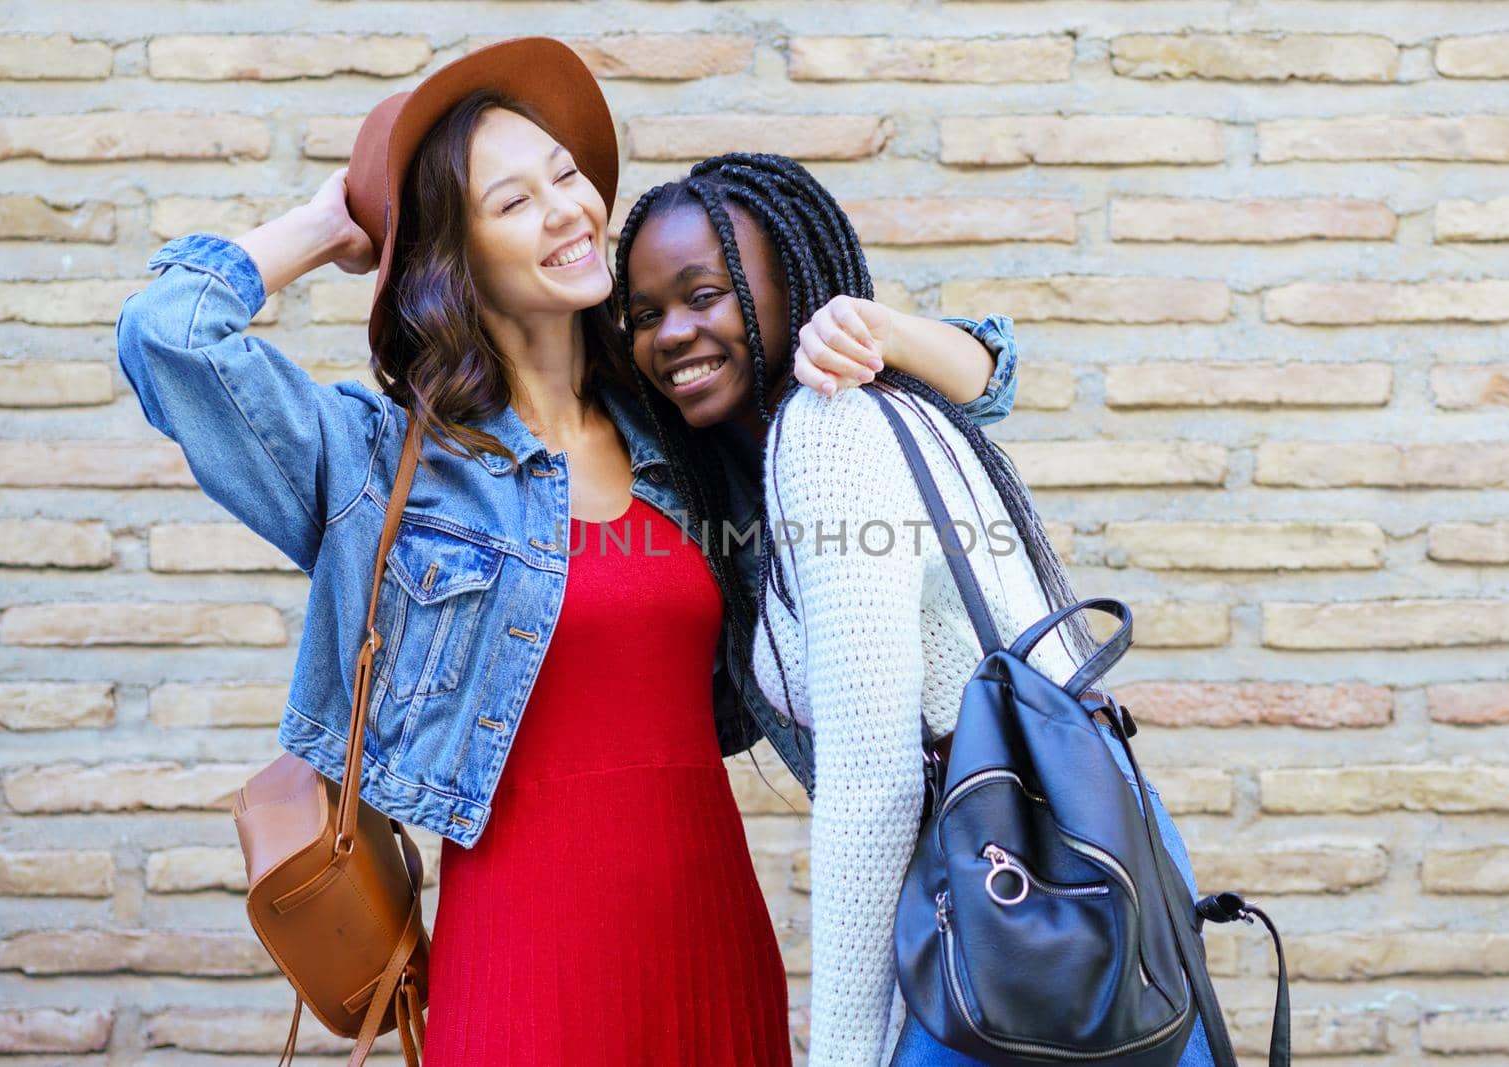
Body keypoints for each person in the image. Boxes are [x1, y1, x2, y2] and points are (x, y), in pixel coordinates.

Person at [116, 41, 1023, 1065]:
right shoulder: (380, 466)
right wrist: (338, 219)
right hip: (522, 952)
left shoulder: (680, 430)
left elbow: (979, 382)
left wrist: (879, 330)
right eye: (513, 202)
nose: (567, 208)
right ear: (452, 256)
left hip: (709, 928)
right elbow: (168, 335)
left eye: (565, 175)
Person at [615, 153, 1217, 1066]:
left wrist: (846, 1050)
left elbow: (875, 781)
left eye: (707, 294)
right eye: (647, 313)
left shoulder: (827, 433)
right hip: (1082, 866)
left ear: (796, 289)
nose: (672, 334)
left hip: (1005, 899)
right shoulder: (865, 418)